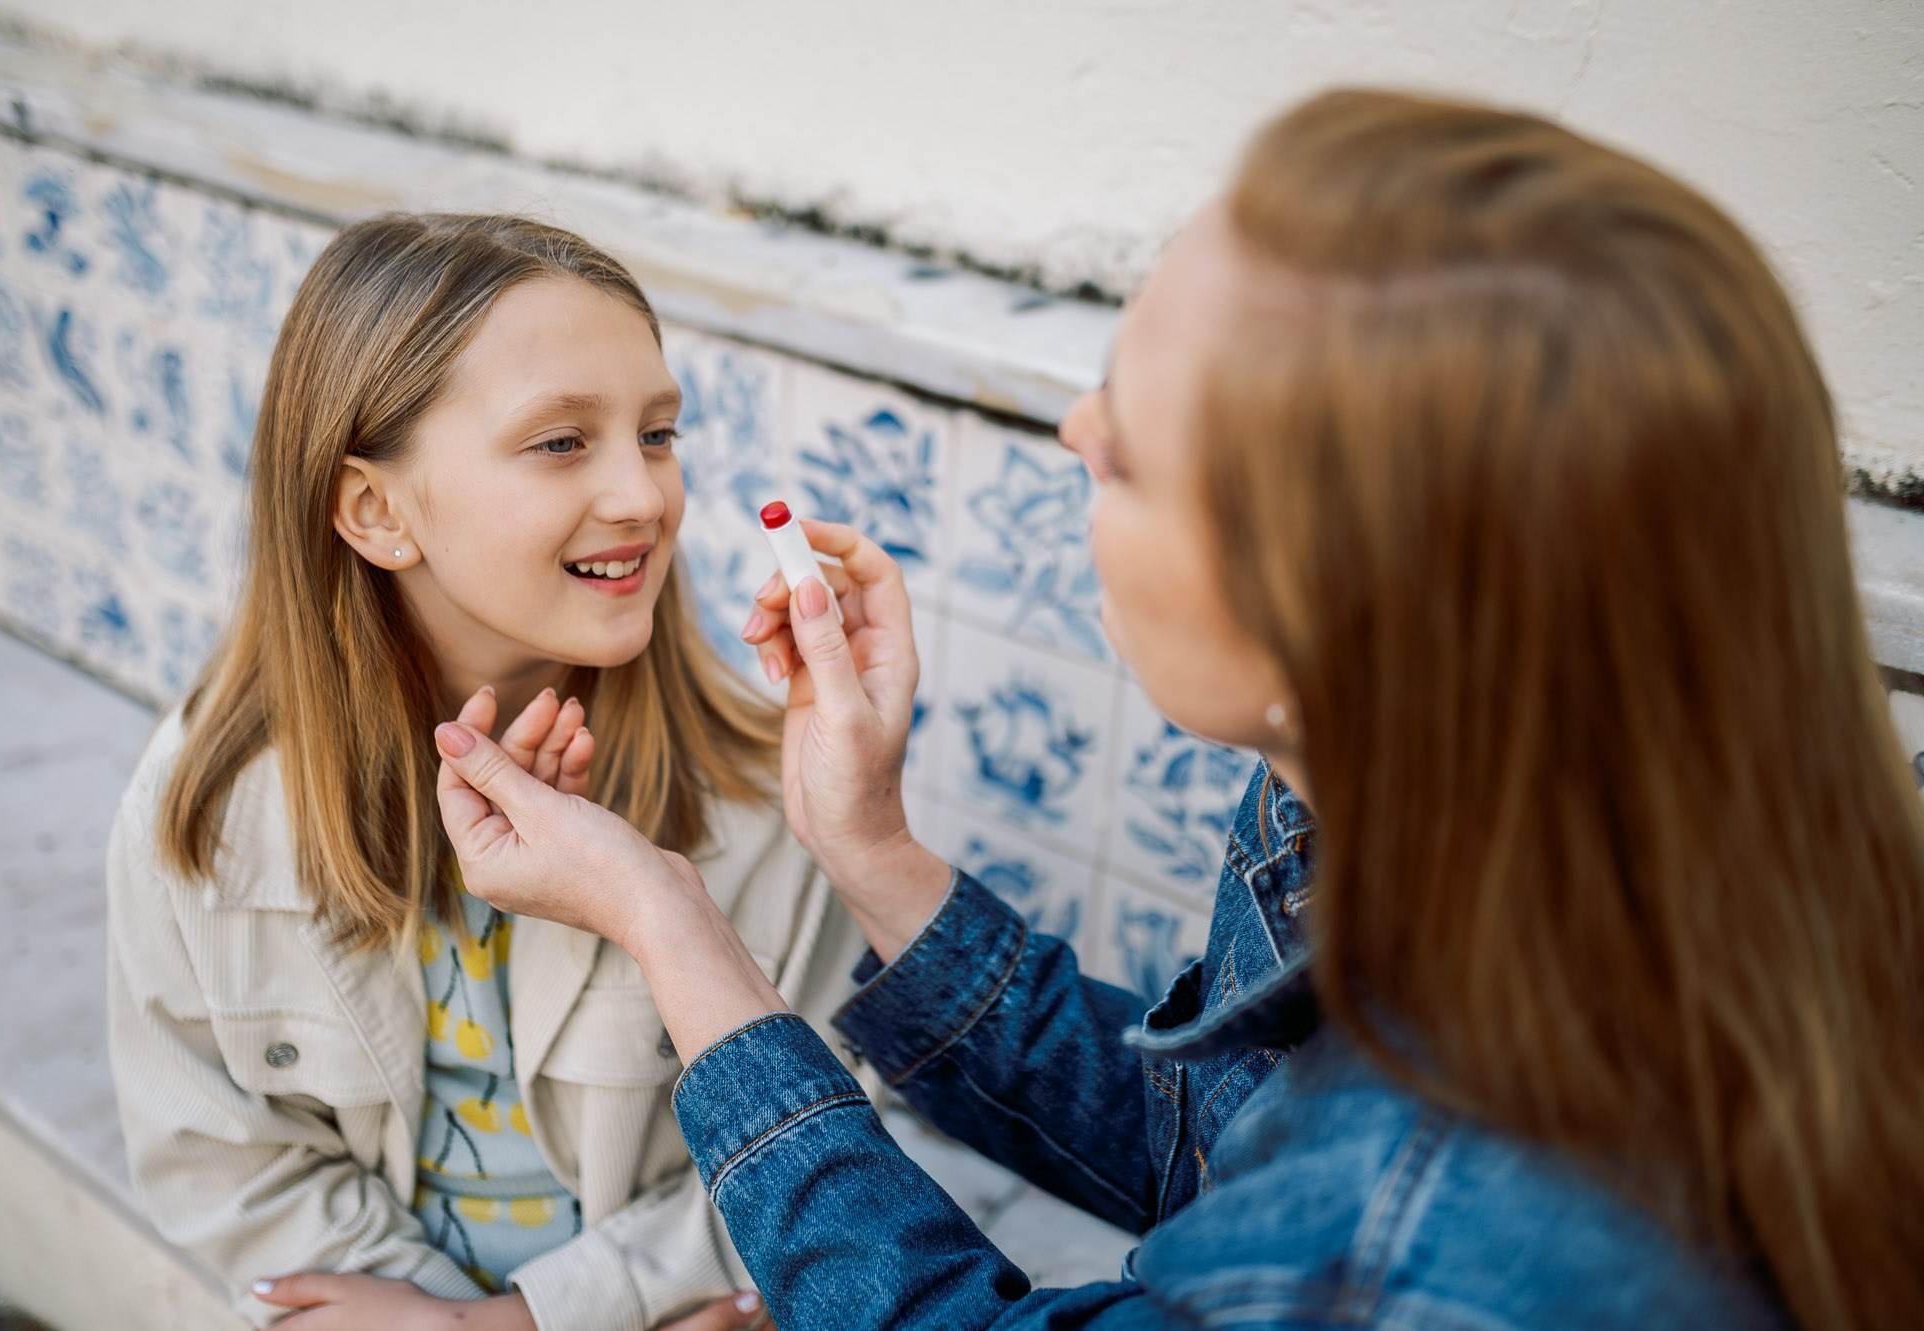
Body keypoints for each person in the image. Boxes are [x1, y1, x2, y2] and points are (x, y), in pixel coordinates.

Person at [424, 91, 1924, 1330]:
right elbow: (1218, 1165)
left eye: (1129, 446)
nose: (1077, 427)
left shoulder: (1437, 1232)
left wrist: (666, 919)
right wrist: (868, 839)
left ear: (1322, 611)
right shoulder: (1383, 811)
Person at [106, 213, 868, 1331]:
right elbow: (217, 1146)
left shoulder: (759, 789)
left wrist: (524, 1322)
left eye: (657, 434)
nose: (645, 495)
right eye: (562, 441)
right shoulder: (210, 800)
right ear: (374, 509)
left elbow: (838, 1134)